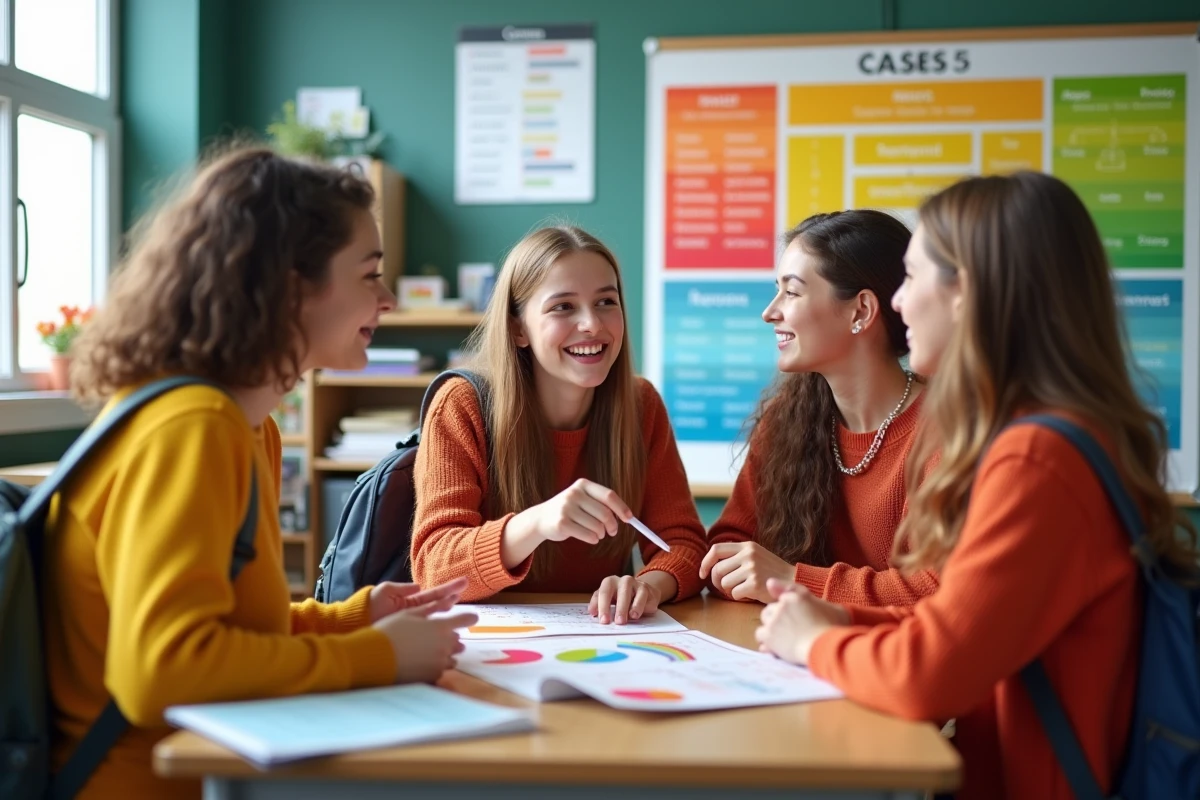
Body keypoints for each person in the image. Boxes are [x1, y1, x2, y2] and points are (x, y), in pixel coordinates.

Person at [45, 146, 475, 799]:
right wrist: (378, 655)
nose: (387, 299)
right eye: (369, 275)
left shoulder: (250, 427)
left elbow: (233, 632)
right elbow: (161, 672)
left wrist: (354, 617)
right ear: (291, 288)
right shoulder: (194, 428)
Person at [755, 172, 1200, 799]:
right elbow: (966, 622)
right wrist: (844, 615)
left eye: (912, 277)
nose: (899, 304)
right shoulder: (1052, 434)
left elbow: (932, 673)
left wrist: (816, 640)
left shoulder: (1037, 459)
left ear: (969, 292)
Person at [410, 225, 707, 623]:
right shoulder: (461, 406)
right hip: (487, 642)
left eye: (606, 302)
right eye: (563, 307)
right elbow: (433, 567)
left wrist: (649, 586)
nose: (592, 324)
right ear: (518, 329)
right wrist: (537, 523)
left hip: (600, 637)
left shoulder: (641, 405)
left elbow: (684, 544)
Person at [701, 210, 937, 606]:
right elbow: (729, 544)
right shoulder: (788, 418)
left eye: (792, 293)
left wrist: (793, 580)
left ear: (860, 311)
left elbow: (937, 589)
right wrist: (740, 571)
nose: (769, 312)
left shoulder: (945, 428)